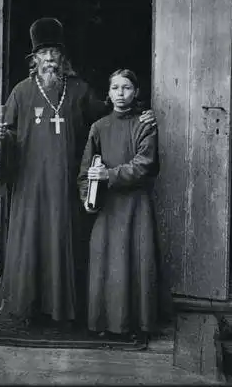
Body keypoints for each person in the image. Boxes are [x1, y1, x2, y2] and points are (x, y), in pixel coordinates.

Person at [0, 18, 156, 327]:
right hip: (30, 188)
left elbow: (112, 115)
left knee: (65, 242)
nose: (49, 58)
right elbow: (5, 134)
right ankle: (28, 309)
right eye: (43, 53)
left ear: (63, 57)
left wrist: (142, 114)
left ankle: (62, 311)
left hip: (64, 186)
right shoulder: (21, 92)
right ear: (34, 59)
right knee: (31, 243)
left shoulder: (79, 90)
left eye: (54, 52)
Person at [78, 69, 160, 341]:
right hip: (107, 206)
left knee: (135, 261)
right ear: (109, 92)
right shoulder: (99, 127)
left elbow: (145, 164)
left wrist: (110, 175)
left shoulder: (144, 125)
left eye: (126, 88)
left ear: (136, 92)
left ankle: (135, 325)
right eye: (115, 88)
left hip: (136, 206)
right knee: (106, 261)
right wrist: (87, 198)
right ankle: (103, 321)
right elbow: (85, 171)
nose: (120, 93)